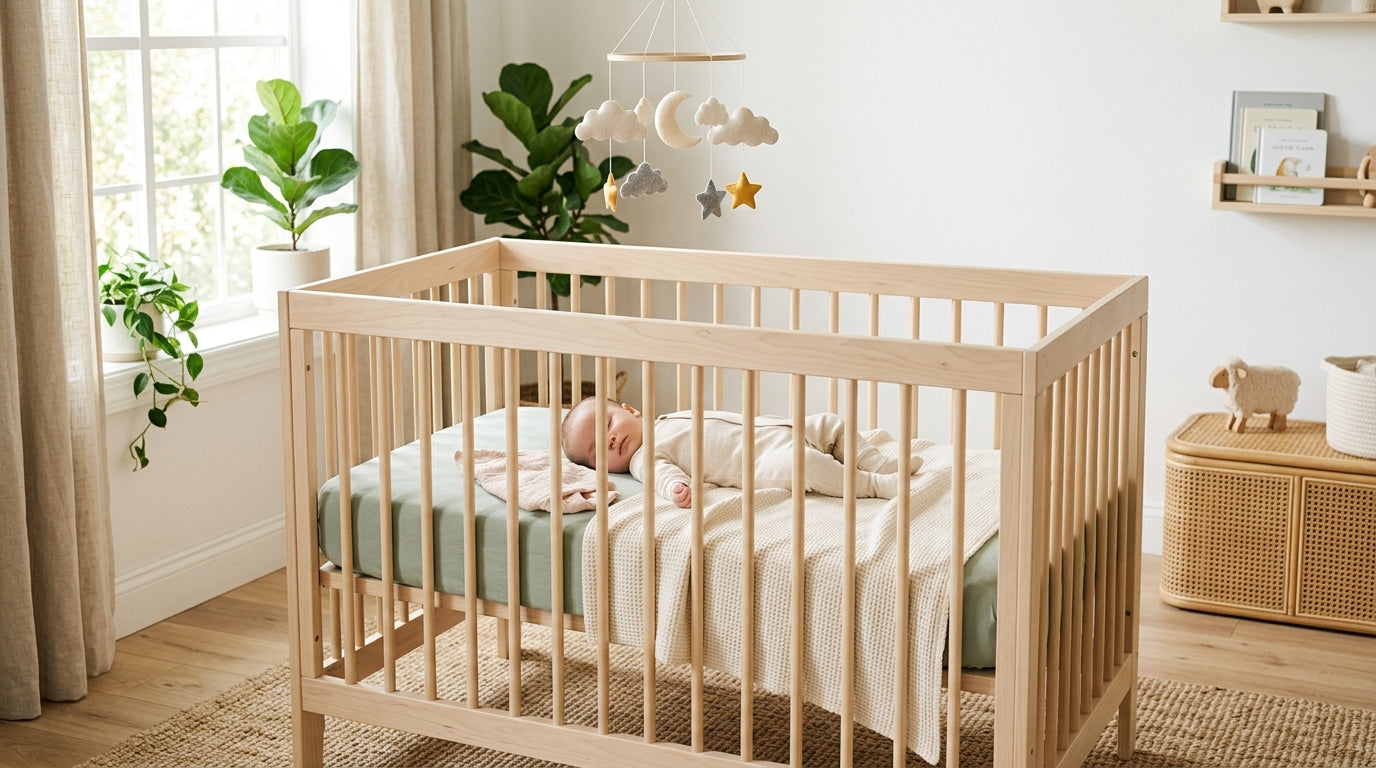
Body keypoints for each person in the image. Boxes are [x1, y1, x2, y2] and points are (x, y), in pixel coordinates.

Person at [561, 397, 923, 509]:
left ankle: (880, 462)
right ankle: (876, 484)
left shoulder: (664, 419)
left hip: (776, 430)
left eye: (606, 424)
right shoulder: (643, 460)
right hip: (762, 463)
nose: (608, 440)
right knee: (807, 465)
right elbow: (663, 476)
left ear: (630, 410)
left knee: (831, 423)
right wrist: (675, 489)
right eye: (596, 451)